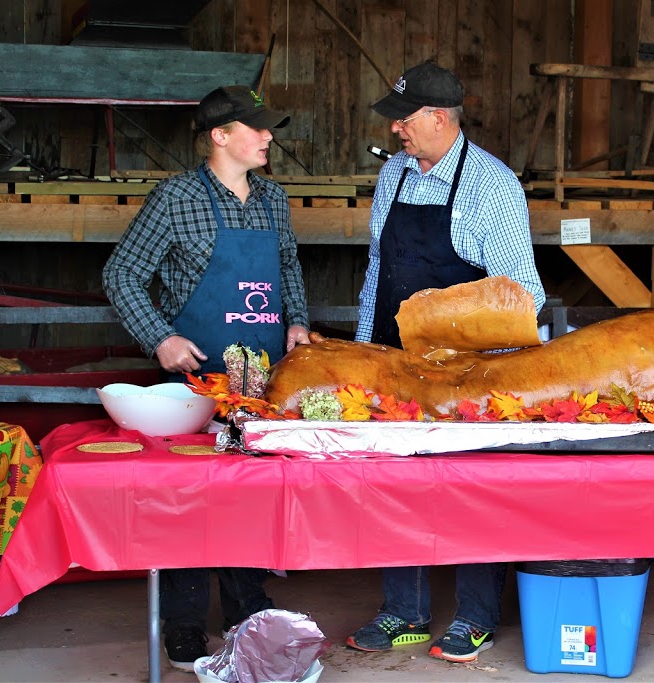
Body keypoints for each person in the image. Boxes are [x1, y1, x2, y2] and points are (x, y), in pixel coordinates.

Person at [103, 84, 310, 671]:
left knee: (251, 494)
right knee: (189, 499)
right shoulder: (174, 199)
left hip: (260, 383)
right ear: (221, 136)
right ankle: (185, 621)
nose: (269, 136)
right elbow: (122, 275)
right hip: (194, 384)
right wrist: (160, 339)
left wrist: (296, 321)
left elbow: (289, 265)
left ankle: (250, 608)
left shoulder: (273, 199)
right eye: (257, 127)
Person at [347, 62, 545, 664]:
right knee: (392, 487)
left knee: (472, 490)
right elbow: (379, 270)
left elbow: (523, 296)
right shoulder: (394, 176)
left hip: (467, 372)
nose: (396, 129)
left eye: (403, 119)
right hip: (392, 361)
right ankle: (404, 613)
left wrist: (501, 386)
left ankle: (476, 617)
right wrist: (363, 347)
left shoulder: (493, 187)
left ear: (438, 118)